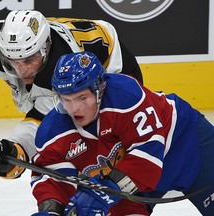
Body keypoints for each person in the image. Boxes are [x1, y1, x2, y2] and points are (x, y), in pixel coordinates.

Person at [0, 10, 143, 180]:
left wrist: (13, 151)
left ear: (45, 48)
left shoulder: (63, 67)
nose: (22, 71)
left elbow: (45, 123)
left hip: (113, 62)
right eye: (13, 62)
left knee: (93, 135)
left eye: (29, 60)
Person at [30, 51, 214, 215]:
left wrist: (102, 193)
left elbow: (149, 151)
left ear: (99, 89)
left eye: (82, 98)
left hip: (185, 143)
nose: (74, 108)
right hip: (127, 178)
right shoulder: (52, 132)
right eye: (66, 100)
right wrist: (51, 208)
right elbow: (54, 177)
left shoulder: (125, 95)